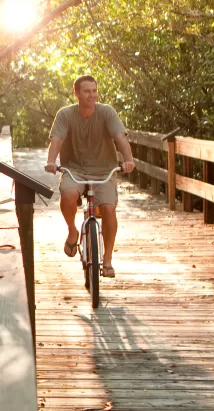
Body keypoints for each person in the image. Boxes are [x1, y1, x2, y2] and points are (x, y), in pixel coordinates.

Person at [44, 75, 135, 278]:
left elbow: (120, 137)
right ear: (76, 93)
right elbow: (57, 139)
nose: (91, 95)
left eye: (94, 91)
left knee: (109, 209)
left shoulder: (106, 112)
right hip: (74, 169)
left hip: (104, 170)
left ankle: (108, 260)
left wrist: (128, 159)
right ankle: (72, 231)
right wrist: (51, 161)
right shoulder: (66, 114)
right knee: (67, 194)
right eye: (86, 91)